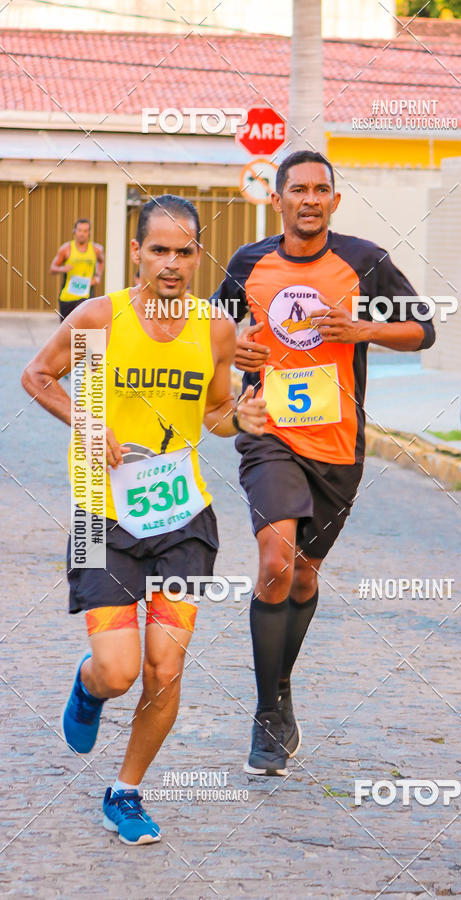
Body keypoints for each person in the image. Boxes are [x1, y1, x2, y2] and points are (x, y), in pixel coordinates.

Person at [22, 194, 266, 845]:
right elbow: (38, 376)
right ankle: (88, 685)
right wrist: (86, 419)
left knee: (165, 667)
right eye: (158, 249)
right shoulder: (99, 318)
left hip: (183, 518)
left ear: (197, 257)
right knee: (121, 670)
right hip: (104, 517)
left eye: (184, 251)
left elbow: (214, 415)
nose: (171, 263)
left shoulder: (214, 327)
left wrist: (241, 416)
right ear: (135, 252)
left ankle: (125, 791)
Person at [212, 150, 435, 776]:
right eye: (298, 189)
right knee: (276, 561)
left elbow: (424, 329)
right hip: (269, 433)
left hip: (338, 445)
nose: (310, 199)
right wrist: (238, 351)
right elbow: (210, 334)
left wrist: (361, 329)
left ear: (334, 201)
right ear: (277, 198)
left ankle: (281, 688)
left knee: (304, 576)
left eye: (321, 190)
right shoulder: (248, 263)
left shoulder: (364, 261)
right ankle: (266, 714)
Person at [50, 218, 105, 321]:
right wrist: (62, 269)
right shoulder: (66, 249)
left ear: (89, 233)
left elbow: (101, 261)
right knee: (66, 330)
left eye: (85, 231)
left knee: (82, 329)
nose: (82, 234)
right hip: (67, 297)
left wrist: (97, 276)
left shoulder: (96, 249)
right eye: (79, 230)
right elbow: (52, 268)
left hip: (86, 297)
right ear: (74, 231)